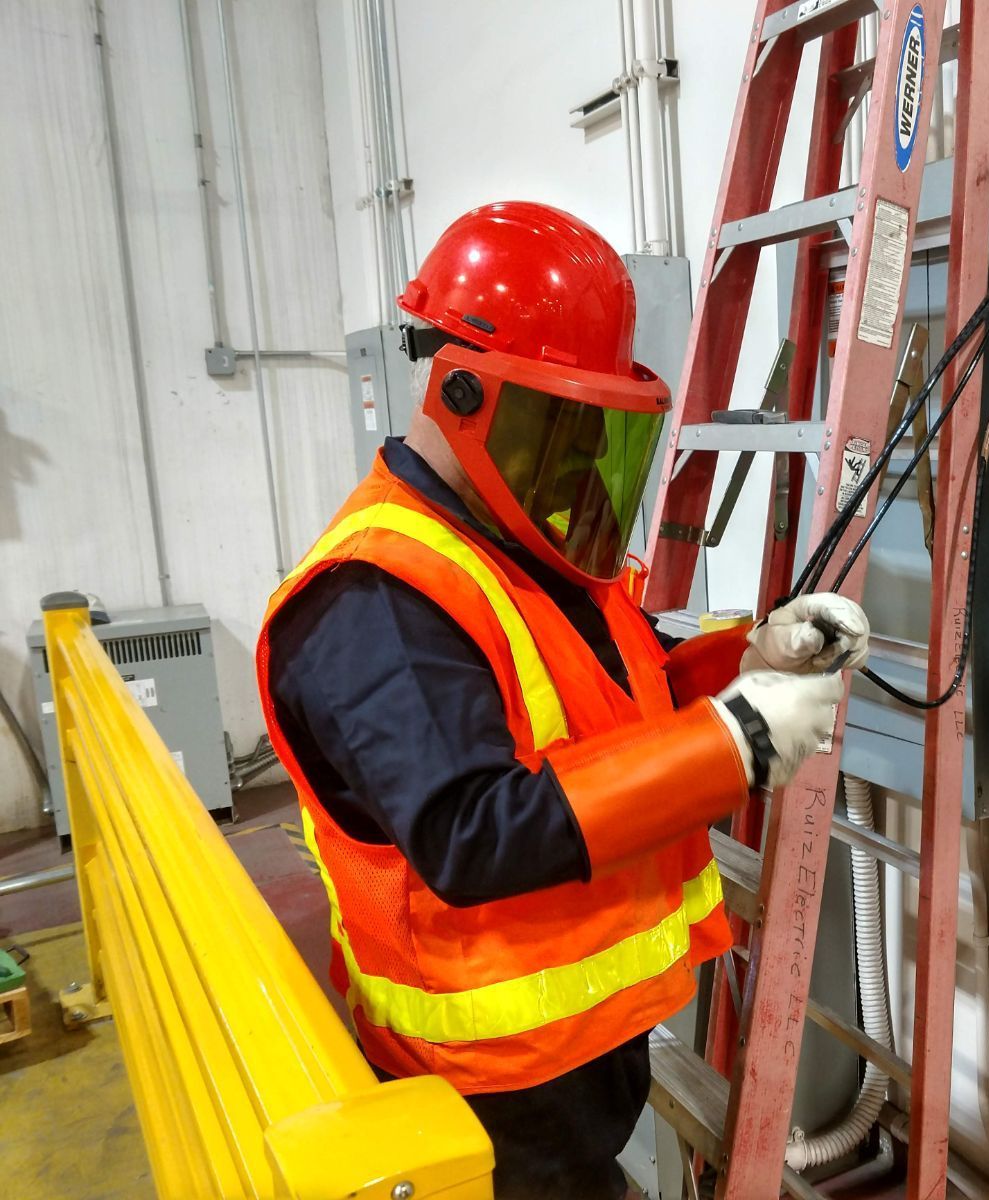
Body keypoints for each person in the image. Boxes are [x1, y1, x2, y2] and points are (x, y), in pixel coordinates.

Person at [255, 201, 870, 1199]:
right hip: (483, 1108)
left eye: (598, 427)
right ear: (462, 394)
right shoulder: (377, 601)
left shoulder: (511, 546)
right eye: (560, 421)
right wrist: (730, 747)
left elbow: (609, 708)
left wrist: (748, 663)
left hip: (573, 1073)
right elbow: (474, 831)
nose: (582, 464)